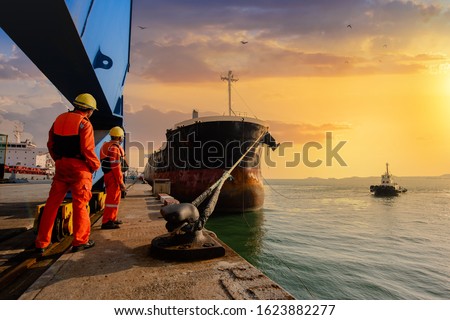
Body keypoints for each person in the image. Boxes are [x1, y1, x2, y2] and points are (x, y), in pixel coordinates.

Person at [35, 93, 100, 253]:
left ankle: (42, 243)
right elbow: (87, 149)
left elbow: (50, 143)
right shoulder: (85, 124)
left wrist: (58, 159)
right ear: (89, 110)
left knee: (52, 204)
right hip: (79, 169)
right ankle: (80, 241)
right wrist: (95, 165)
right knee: (80, 205)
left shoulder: (59, 119)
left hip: (61, 166)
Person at [100, 126, 127, 229]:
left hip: (108, 175)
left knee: (115, 199)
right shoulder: (115, 148)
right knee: (112, 200)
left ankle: (113, 218)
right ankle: (107, 221)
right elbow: (116, 167)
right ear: (120, 137)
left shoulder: (106, 146)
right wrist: (121, 182)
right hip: (113, 176)